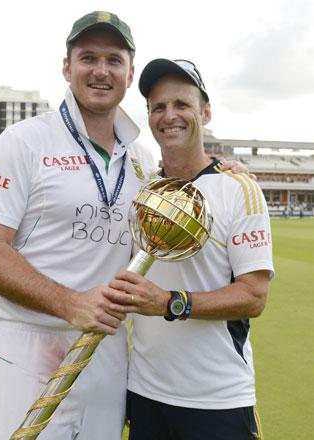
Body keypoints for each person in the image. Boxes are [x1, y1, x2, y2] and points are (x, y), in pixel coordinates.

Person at [0, 11, 156, 440]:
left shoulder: (143, 158)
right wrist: (69, 303)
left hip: (105, 348)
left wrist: (224, 174)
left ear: (130, 71)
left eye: (114, 59)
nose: (101, 71)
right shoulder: (24, 141)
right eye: (88, 58)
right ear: (67, 67)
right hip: (28, 343)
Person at [107, 58, 274, 440]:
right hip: (145, 395)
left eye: (182, 104)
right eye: (158, 107)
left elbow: (254, 297)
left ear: (206, 112)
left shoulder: (239, 189)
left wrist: (169, 302)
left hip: (218, 401)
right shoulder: (141, 189)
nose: (170, 116)